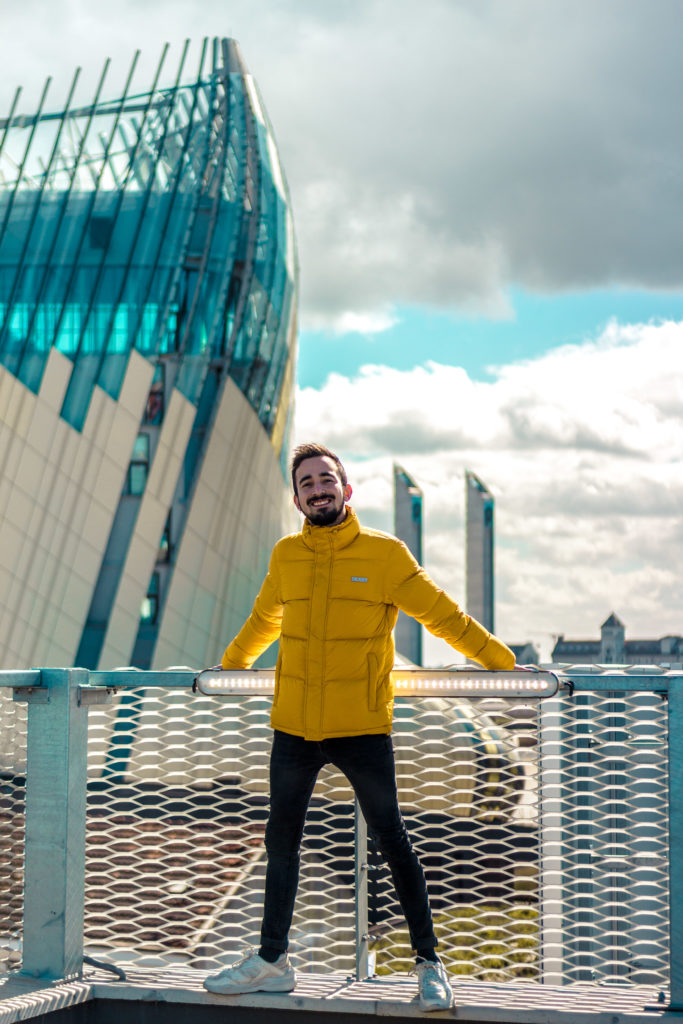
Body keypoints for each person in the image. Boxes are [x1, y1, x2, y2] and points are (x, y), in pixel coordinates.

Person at [203, 442, 516, 1011]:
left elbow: (442, 615)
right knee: (282, 844)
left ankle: (429, 965)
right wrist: (228, 671)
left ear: (346, 490)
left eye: (327, 479)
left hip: (362, 729)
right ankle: (272, 962)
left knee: (394, 842)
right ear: (297, 498)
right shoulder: (285, 556)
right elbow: (263, 619)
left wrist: (504, 663)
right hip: (294, 729)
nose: (318, 489)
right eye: (306, 483)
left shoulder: (385, 555)